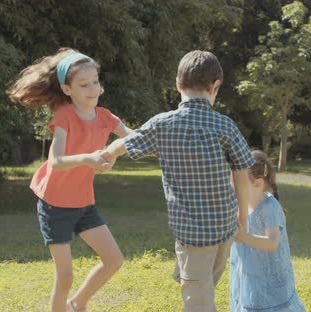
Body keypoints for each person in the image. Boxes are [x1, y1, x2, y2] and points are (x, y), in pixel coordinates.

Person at [102, 50, 254, 311]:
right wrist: (243, 217)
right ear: (215, 86)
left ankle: (193, 286)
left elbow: (127, 142)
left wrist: (109, 154)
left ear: (177, 84)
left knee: (198, 297)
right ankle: (193, 283)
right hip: (224, 226)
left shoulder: (162, 125)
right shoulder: (225, 125)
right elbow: (242, 175)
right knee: (205, 285)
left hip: (192, 234)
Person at [7, 47, 133, 312]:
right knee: (65, 276)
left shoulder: (106, 117)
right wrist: (88, 158)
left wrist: (113, 156)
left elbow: (131, 139)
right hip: (54, 205)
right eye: (84, 84)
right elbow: (57, 162)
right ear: (67, 90)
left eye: (95, 82)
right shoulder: (64, 115)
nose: (92, 89)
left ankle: (78, 303)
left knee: (114, 260)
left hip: (83, 203)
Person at [230, 150, 306, 312]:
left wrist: (243, 237)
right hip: (249, 279)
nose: (231, 186)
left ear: (257, 184)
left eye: (236, 182)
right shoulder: (240, 206)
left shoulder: (269, 207)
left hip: (269, 281)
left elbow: (272, 243)